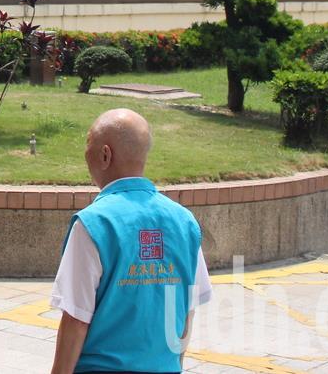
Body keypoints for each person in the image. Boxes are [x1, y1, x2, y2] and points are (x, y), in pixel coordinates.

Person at [50, 109, 212, 374]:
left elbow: (76, 319)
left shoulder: (93, 224)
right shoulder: (185, 223)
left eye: (87, 146)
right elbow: (187, 310)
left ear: (105, 155)